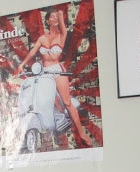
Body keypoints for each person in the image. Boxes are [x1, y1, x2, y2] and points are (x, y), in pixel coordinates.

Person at [15, 7, 93, 147]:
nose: (55, 18)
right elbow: (32, 52)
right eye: (52, 16)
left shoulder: (62, 35)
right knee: (46, 101)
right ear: (47, 20)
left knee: (67, 103)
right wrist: (21, 65)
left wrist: (59, 13)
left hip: (57, 71)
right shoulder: (42, 38)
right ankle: (55, 125)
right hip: (44, 72)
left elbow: (61, 19)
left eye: (57, 17)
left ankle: (82, 134)